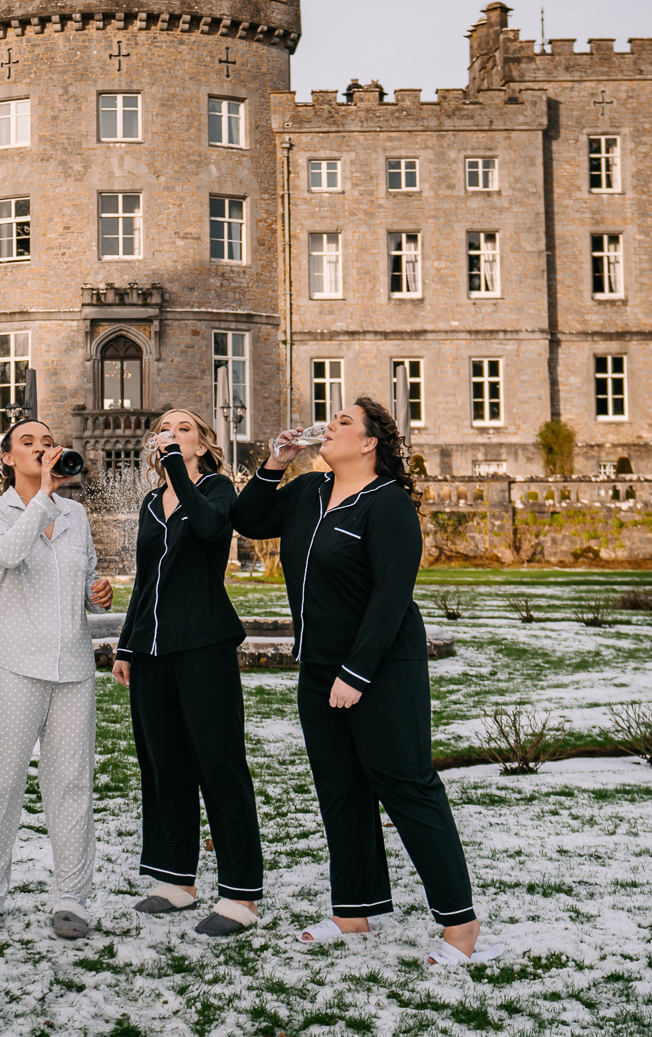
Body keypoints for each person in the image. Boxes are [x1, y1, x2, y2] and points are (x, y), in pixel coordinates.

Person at [230, 397, 505, 966]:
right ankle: (352, 913)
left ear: (370, 442)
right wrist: (276, 463)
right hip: (318, 668)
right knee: (340, 790)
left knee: (407, 786)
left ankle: (460, 924)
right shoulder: (308, 492)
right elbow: (249, 521)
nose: (329, 428)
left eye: (343, 423)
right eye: (330, 422)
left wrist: (356, 674)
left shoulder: (388, 504)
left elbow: (391, 595)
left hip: (383, 668)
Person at [0, 419, 114, 939]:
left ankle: (71, 896)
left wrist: (97, 589)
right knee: (0, 781)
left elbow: (86, 570)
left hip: (71, 664)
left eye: (48, 442)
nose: (42, 449)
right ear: (7, 458)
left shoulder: (76, 513)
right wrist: (43, 497)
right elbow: (8, 556)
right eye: (28, 442)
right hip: (11, 661)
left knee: (71, 783)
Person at [112, 408, 263, 937]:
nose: (170, 436)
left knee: (218, 765)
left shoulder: (219, 490)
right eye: (164, 430)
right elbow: (144, 579)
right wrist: (126, 647)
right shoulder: (151, 502)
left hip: (203, 647)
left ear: (201, 445)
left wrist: (177, 469)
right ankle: (176, 879)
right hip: (151, 653)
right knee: (163, 763)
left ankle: (241, 895)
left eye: (183, 430)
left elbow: (205, 526)